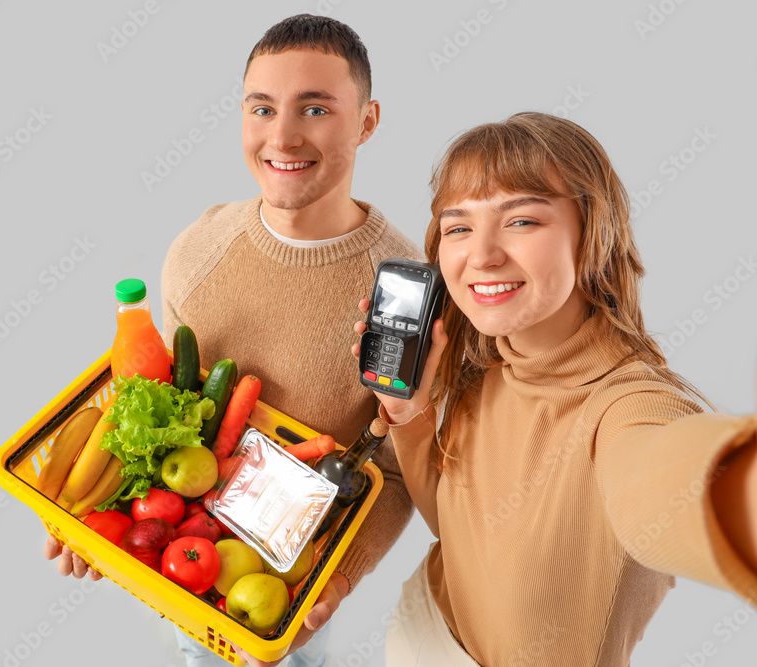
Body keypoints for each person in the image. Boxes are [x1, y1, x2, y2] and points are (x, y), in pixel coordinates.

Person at [47, 14, 423, 667]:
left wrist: (334, 580)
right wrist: (101, 520)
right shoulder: (197, 252)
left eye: (315, 108)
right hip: (179, 555)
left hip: (289, 577)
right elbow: (163, 403)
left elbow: (394, 468)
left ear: (366, 121)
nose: (283, 135)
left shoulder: (400, 290)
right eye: (262, 108)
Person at [349, 111, 757, 666]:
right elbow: (461, 534)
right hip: (424, 632)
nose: (482, 254)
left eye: (521, 221)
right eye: (458, 227)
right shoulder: (490, 364)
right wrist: (410, 411)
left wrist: (731, 493)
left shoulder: (630, 405)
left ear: (593, 232)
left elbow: (661, 478)